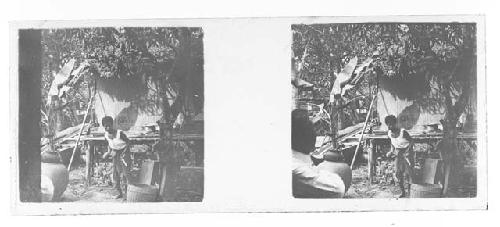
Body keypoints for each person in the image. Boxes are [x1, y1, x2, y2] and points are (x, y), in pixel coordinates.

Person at [292, 109, 347, 198]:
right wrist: (322, 170)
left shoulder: (296, 160)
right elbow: (338, 189)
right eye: (312, 130)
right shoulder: (296, 169)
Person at [101, 116, 132, 200]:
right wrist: (108, 152)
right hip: (115, 153)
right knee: (116, 174)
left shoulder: (119, 133)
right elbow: (110, 143)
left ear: (112, 124)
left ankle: (127, 195)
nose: (107, 128)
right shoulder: (106, 134)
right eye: (105, 126)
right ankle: (119, 193)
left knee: (125, 174)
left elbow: (128, 142)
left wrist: (124, 152)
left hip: (124, 152)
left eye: (109, 125)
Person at [385, 115, 414, 198]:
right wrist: (391, 151)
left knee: (409, 173)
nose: (389, 126)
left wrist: (408, 151)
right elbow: (392, 142)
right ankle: (403, 192)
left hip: (407, 152)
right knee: (398, 173)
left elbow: (412, 141)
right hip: (398, 153)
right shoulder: (390, 133)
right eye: (388, 125)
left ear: (395, 124)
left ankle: (410, 193)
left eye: (391, 124)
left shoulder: (403, 132)